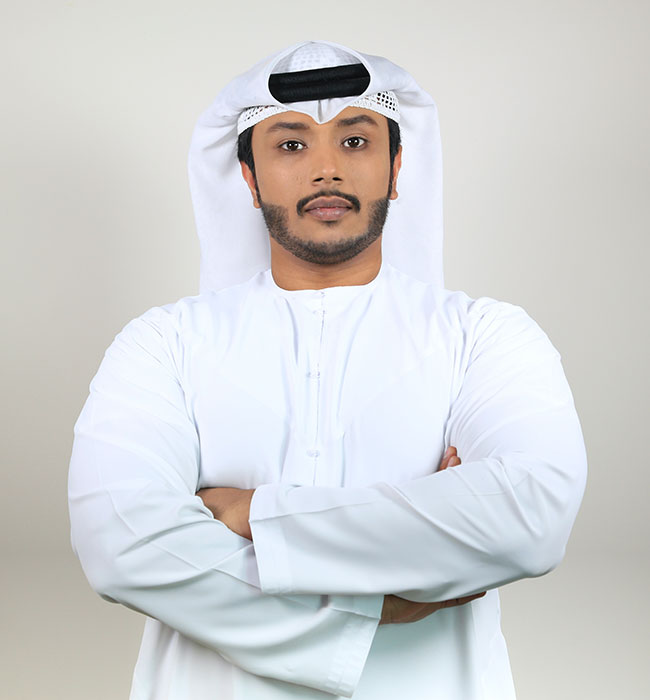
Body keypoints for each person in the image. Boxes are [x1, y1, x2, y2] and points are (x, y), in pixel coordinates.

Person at [68, 41, 587, 699]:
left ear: (396, 168)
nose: (326, 170)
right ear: (249, 179)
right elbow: (120, 544)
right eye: (291, 145)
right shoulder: (163, 344)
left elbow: (531, 518)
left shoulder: (485, 335)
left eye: (355, 141)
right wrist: (384, 589)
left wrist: (252, 513)